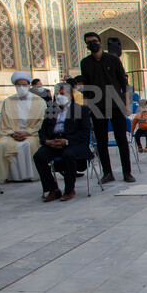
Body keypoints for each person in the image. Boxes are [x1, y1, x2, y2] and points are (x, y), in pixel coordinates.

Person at [80, 31, 134, 183]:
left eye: (94, 41)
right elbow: (87, 87)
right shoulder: (85, 63)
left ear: (100, 42)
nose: (92, 44)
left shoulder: (113, 59)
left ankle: (127, 172)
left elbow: (124, 84)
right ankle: (107, 173)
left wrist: (127, 105)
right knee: (101, 142)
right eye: (89, 42)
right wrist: (87, 107)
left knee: (121, 139)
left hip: (116, 104)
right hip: (98, 106)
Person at [33, 82, 93, 202]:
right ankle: (53, 189)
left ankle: (69, 189)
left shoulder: (80, 110)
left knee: (68, 155)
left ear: (70, 96)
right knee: (39, 156)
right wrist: (46, 141)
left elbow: (85, 132)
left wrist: (67, 141)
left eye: (62, 94)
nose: (59, 96)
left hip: (73, 142)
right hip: (53, 141)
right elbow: (42, 131)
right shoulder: (51, 110)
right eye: (57, 94)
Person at [0, 71, 45, 183]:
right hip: (12, 133)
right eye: (19, 85)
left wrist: (27, 133)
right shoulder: (8, 101)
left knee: (27, 144)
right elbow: (3, 123)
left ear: (29, 85)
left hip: (32, 134)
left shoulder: (39, 101)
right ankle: (12, 176)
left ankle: (31, 175)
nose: (22, 87)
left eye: (24, 85)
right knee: (2, 144)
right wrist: (13, 133)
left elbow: (41, 123)